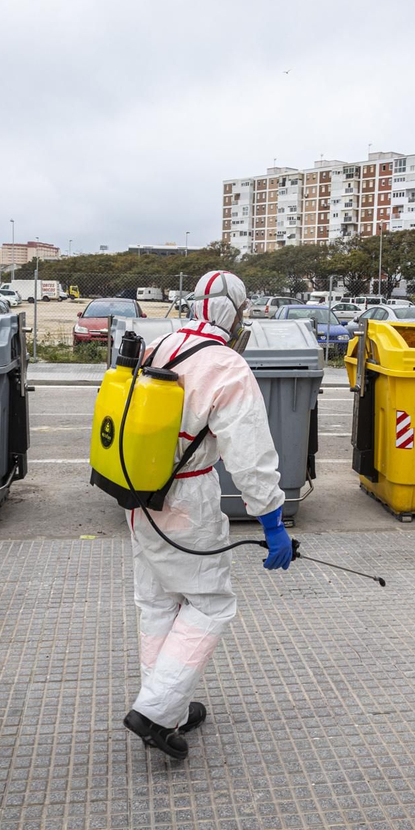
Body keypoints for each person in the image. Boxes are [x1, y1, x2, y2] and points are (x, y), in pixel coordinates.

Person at [122, 270, 293, 762]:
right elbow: (252, 457)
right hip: (190, 501)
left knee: (157, 604)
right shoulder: (227, 365)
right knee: (210, 603)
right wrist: (272, 522)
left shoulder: (161, 345)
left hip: (141, 495)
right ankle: (155, 712)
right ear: (233, 312)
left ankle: (168, 710)